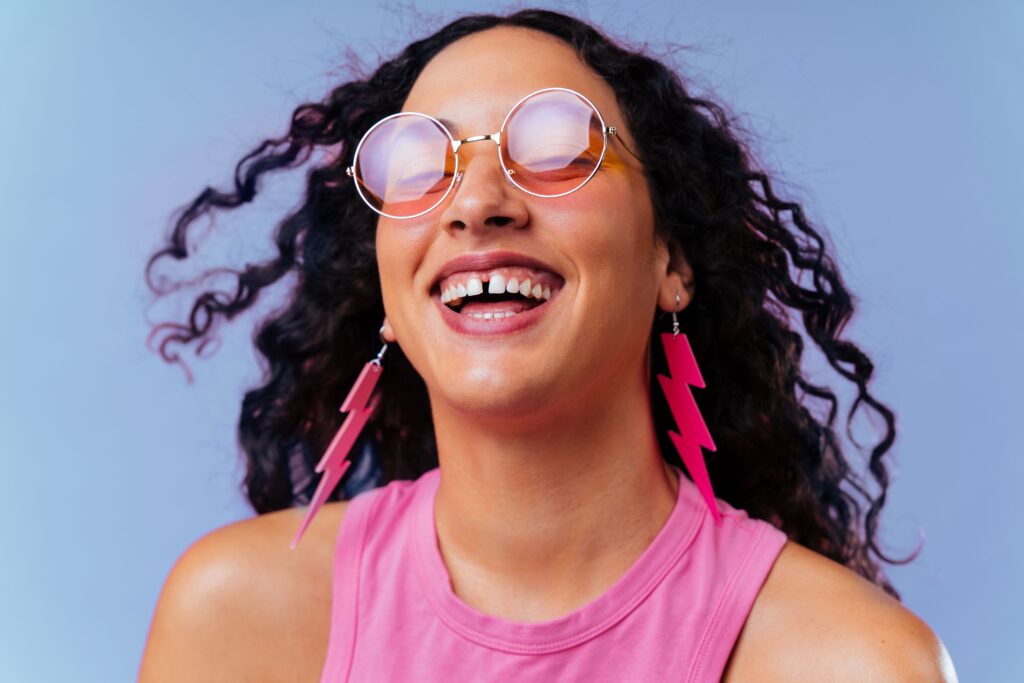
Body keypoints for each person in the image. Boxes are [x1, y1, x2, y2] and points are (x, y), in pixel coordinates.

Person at [137, 8, 957, 682]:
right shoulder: (236, 620)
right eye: (421, 162)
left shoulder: (849, 663)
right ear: (383, 282)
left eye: (559, 148)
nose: (478, 203)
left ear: (670, 262)